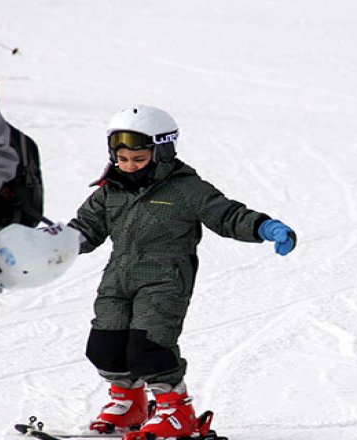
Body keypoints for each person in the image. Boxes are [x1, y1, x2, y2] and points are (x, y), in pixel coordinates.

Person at [68, 105, 298, 440]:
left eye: (139, 158)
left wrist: (264, 226)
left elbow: (227, 214)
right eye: (123, 158)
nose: (129, 166)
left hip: (165, 279)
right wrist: (52, 247)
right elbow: (85, 229)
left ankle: (177, 413)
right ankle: (129, 404)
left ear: (161, 152)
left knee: (150, 345)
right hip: (118, 276)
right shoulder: (110, 191)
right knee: (105, 346)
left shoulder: (186, 189)